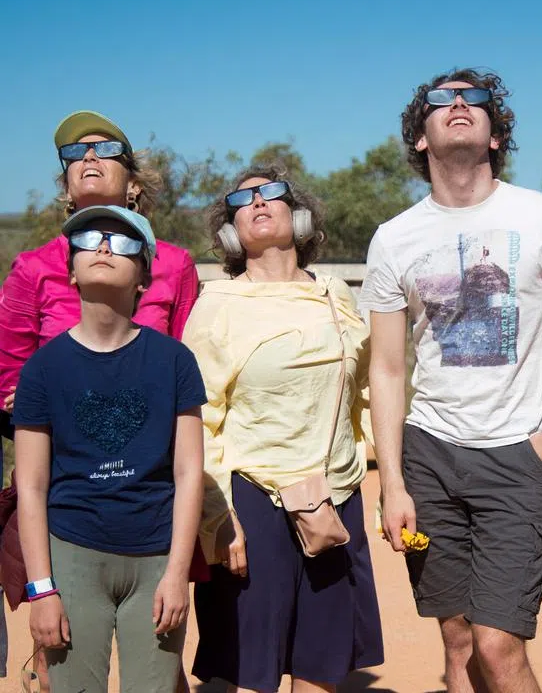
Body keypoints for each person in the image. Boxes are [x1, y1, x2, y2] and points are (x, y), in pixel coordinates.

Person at [360, 68, 542, 693]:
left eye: (474, 99)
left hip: (518, 455)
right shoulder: (394, 238)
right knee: (456, 643)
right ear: (420, 137)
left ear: (497, 134)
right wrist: (391, 480)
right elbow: (387, 368)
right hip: (430, 455)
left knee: (499, 646)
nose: (460, 106)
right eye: (442, 101)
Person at [0, 110, 201, 692]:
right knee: (60, 657)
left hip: (155, 503)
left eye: (105, 149)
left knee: (159, 668)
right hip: (65, 493)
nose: (87, 159)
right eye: (73, 155)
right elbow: (11, 374)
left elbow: (190, 370)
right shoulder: (33, 270)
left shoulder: (174, 266)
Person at [185, 165, 383, 693]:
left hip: (335, 494)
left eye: (271, 193)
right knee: (255, 665)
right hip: (252, 498)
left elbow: (362, 388)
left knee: (322, 662)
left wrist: (380, 470)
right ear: (230, 230)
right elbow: (200, 419)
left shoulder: (336, 293)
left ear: (297, 214)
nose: (258, 203)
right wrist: (218, 516)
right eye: (242, 200)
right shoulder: (217, 307)